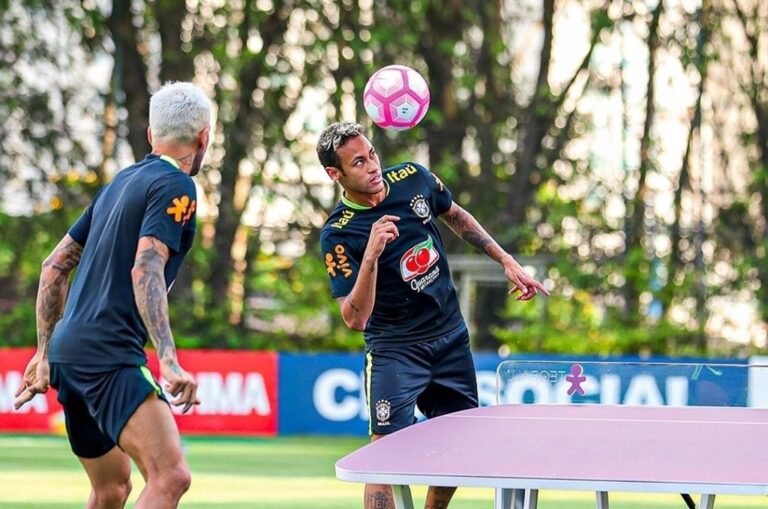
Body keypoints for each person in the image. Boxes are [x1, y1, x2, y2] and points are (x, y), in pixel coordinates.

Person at [316, 121, 550, 509]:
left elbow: (456, 215)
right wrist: (371, 256)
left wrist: (507, 261)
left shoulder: (413, 178)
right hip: (395, 348)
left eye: (372, 154)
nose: (373, 166)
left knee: (457, 445)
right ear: (334, 174)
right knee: (383, 456)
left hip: (449, 336)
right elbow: (354, 319)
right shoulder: (338, 234)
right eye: (358, 162)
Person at [13, 81, 211, 509]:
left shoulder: (120, 183)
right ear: (203, 137)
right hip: (109, 353)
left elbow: (54, 265)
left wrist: (44, 352)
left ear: (151, 134)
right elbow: (146, 267)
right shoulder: (176, 184)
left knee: (112, 489)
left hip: (68, 353)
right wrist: (169, 359)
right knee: (170, 476)